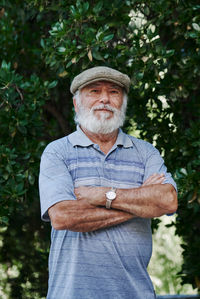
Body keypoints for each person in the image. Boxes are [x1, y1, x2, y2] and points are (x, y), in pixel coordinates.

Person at [39, 66, 178, 299]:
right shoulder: (57, 152)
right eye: (94, 91)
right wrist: (140, 201)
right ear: (76, 103)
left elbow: (167, 201)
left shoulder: (146, 153)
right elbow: (63, 217)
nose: (104, 98)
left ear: (122, 102)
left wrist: (102, 195)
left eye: (114, 92)